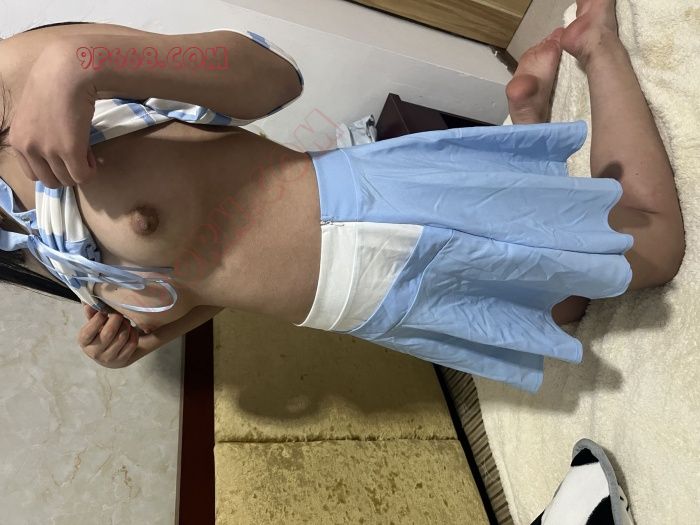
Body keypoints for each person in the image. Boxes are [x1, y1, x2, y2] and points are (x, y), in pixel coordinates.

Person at [0, 0, 685, 390]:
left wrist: (83, 60)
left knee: (650, 249)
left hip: (366, 216)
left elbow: (274, 77)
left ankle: (596, 45)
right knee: (561, 307)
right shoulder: (14, 228)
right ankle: (527, 121)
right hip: (353, 307)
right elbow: (199, 275)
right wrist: (137, 337)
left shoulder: (21, 70)